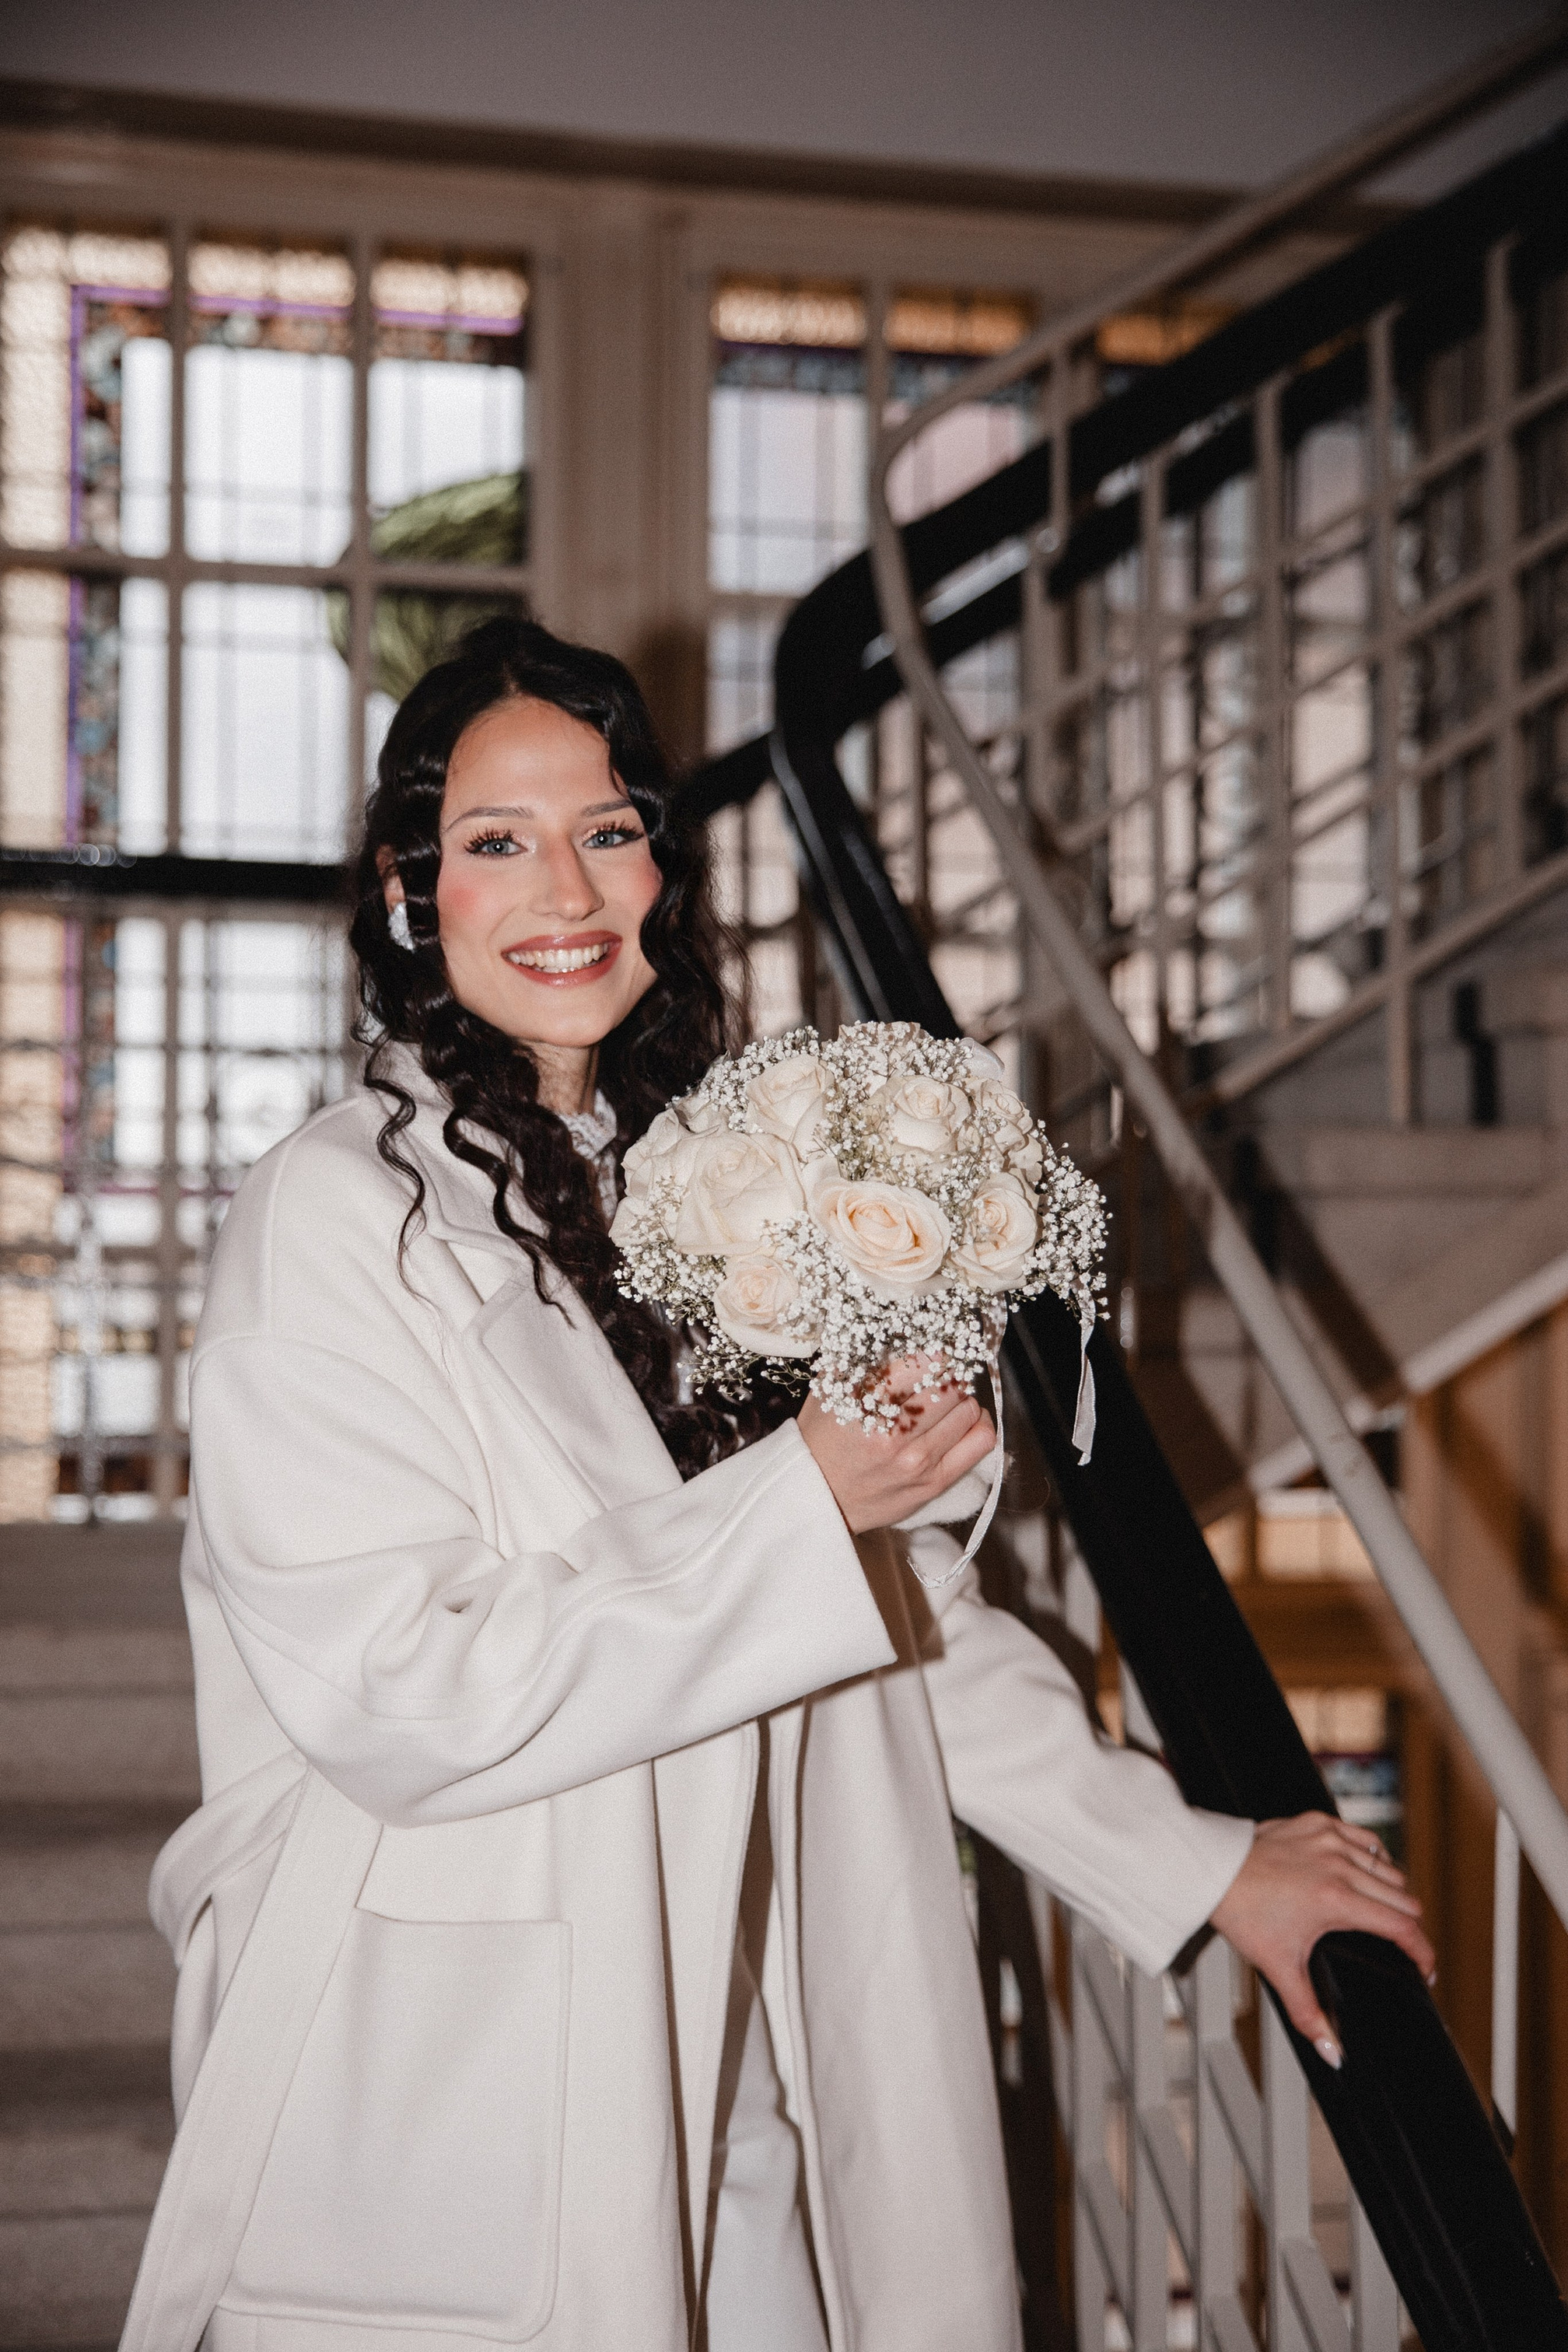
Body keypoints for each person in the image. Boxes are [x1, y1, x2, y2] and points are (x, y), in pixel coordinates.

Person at [123, 618, 1433, 2352]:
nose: (566, 886)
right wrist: (801, 1498)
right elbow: (402, 1686)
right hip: (482, 2064)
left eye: (608, 827)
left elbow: (892, 1621)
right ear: (406, 892)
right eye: (498, 842)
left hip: (744, 2044)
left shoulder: (704, 1188)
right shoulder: (335, 1215)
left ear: (663, 863)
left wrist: (1202, 1867)